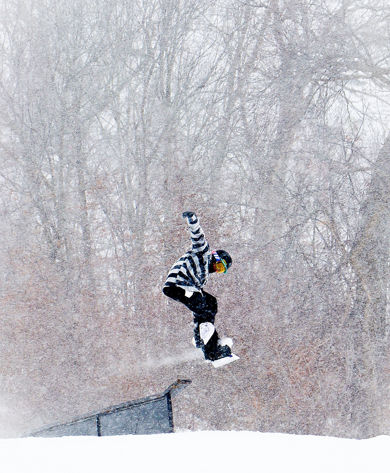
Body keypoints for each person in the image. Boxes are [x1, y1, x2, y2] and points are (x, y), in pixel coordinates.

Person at [162, 211, 233, 363]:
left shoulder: (203, 278)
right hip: (177, 284)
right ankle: (209, 345)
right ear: (215, 257)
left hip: (188, 288)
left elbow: (199, 310)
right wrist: (193, 220)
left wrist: (201, 328)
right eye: (219, 265)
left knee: (210, 303)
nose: (216, 269)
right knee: (202, 305)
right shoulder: (204, 253)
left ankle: (208, 347)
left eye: (221, 270)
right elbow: (198, 236)